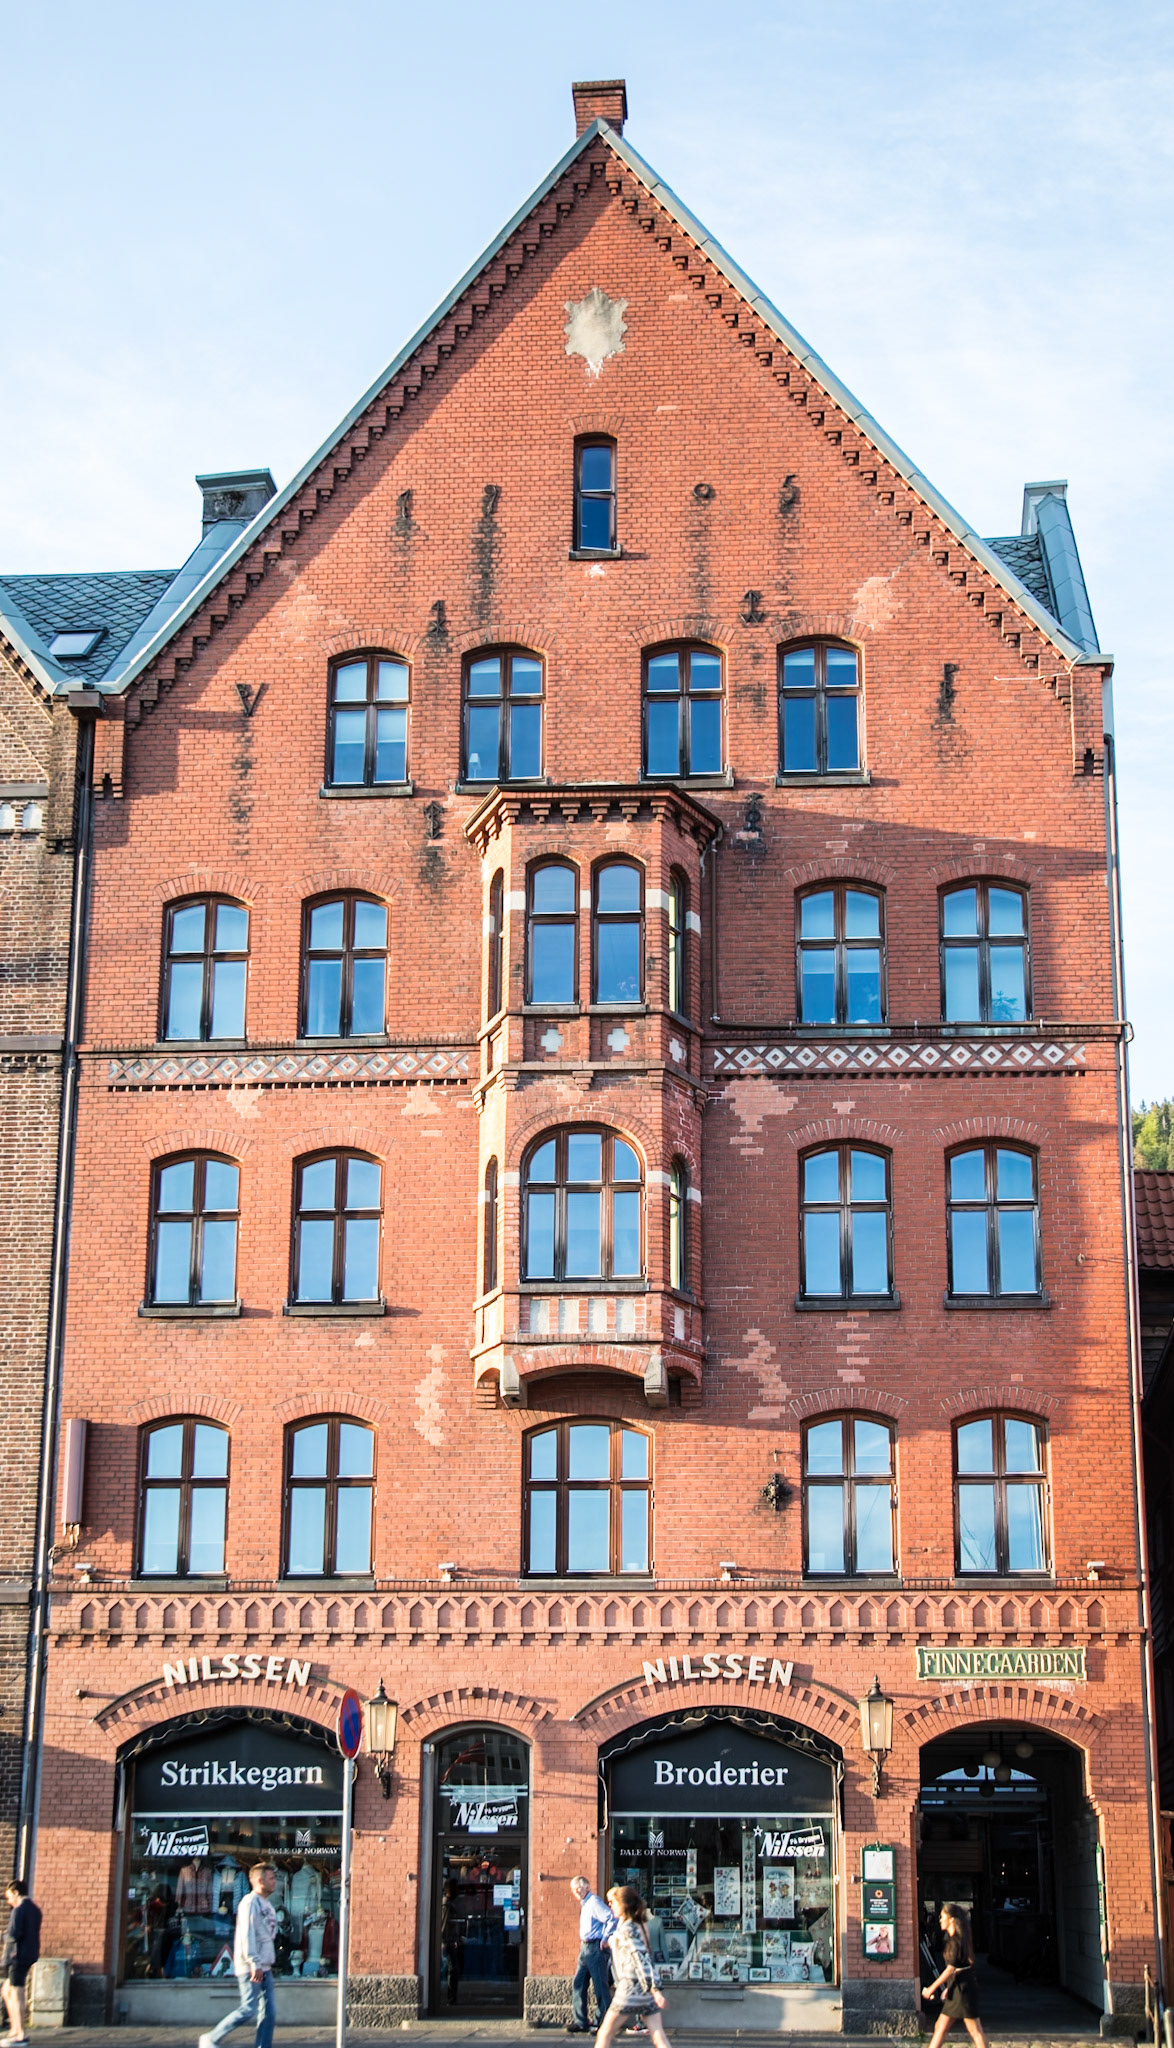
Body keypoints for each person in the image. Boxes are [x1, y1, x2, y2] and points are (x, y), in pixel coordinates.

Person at [198, 1863, 278, 2048]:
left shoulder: (267, 1904)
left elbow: (266, 1935)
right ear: (260, 1880)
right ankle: (211, 2038)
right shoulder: (249, 1902)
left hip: (264, 1966)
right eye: (271, 1878)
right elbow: (246, 1934)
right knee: (248, 2009)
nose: (275, 1882)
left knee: (269, 2013)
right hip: (252, 1966)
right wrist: (254, 1962)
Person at [592, 1888, 672, 2048]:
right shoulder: (639, 1925)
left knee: (604, 2034)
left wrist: (655, 1989)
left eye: (613, 1902)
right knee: (658, 2036)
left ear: (624, 1904)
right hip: (645, 1992)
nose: (610, 1906)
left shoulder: (628, 1928)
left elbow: (640, 1958)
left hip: (630, 1989)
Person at [924, 1903, 988, 2048]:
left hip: (963, 1990)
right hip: (959, 1987)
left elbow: (950, 1969)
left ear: (952, 1919)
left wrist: (931, 1989)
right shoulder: (957, 1940)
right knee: (940, 2026)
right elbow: (961, 1967)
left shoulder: (955, 1942)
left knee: (975, 2030)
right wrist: (948, 1988)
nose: (940, 1920)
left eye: (943, 1917)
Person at [567, 1875, 614, 2034]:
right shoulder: (586, 1904)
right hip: (585, 1947)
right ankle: (581, 2021)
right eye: (574, 1889)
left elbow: (611, 1918)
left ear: (587, 1887)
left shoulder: (593, 1902)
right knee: (579, 1983)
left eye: (579, 1887)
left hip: (595, 1947)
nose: (576, 1891)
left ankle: (603, 2023)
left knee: (600, 1986)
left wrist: (605, 1939)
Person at [1, 1878, 41, 2044]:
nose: (9, 1901)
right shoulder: (34, 1909)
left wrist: (3, 1935)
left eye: (9, 1897)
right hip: (29, 1954)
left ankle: (20, 2033)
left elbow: (14, 1935)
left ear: (16, 1893)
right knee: (6, 1990)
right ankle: (15, 2029)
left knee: (16, 1993)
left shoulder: (19, 1910)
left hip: (17, 1956)